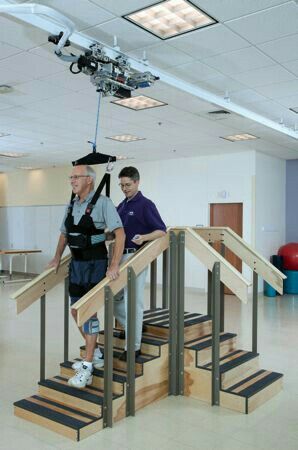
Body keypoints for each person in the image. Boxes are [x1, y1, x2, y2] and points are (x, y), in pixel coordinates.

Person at [48, 164, 125, 388]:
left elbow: (119, 234)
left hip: (96, 264)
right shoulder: (72, 204)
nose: (71, 180)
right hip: (77, 265)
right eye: (70, 177)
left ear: (89, 180)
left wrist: (113, 265)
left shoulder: (103, 203)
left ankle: (88, 365)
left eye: (76, 177)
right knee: (75, 311)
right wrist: (55, 258)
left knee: (88, 313)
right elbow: (65, 234)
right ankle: (97, 351)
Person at [114, 166, 166, 360]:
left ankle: (133, 347)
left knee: (132, 301)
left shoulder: (146, 205)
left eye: (128, 185)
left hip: (136, 257)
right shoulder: (121, 206)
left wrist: (144, 237)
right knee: (114, 299)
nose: (125, 188)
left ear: (137, 182)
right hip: (119, 257)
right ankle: (132, 326)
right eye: (121, 185)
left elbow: (161, 231)